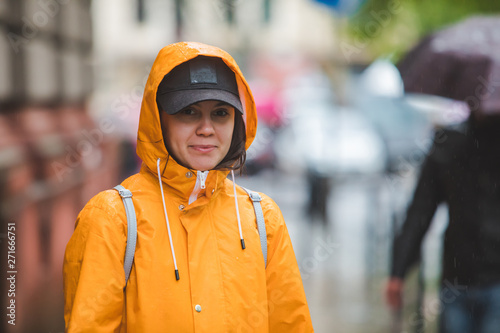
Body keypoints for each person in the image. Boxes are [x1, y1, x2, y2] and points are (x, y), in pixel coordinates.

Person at [63, 42, 314, 332]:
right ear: (159, 120)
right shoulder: (112, 219)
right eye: (189, 111)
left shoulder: (262, 219)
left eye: (221, 113)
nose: (206, 128)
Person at [385, 111, 500, 333]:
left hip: (467, 278)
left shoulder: (449, 143)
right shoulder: (449, 144)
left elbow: (419, 213)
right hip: (459, 280)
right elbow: (420, 212)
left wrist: (397, 271)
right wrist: (397, 270)